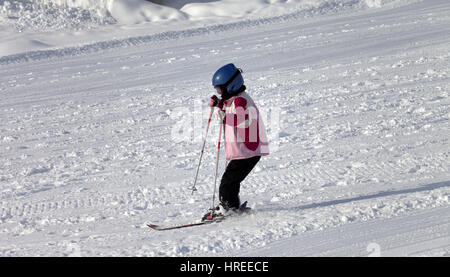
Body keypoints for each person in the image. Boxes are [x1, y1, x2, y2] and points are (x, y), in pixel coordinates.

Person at [202, 63, 269, 221]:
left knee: (228, 181)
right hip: (245, 150)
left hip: (247, 151)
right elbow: (228, 106)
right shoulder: (235, 98)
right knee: (231, 180)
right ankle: (230, 205)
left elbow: (239, 118)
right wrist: (219, 104)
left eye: (220, 89)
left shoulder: (241, 102)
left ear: (231, 86)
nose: (219, 92)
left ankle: (228, 208)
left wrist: (224, 116)